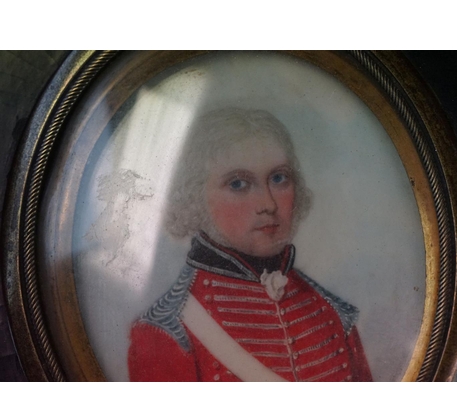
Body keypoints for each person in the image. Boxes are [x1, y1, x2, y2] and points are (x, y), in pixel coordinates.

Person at [128, 108, 372, 382]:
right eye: (239, 184)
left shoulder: (335, 314)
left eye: (279, 178)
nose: (268, 204)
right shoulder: (168, 329)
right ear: (194, 196)